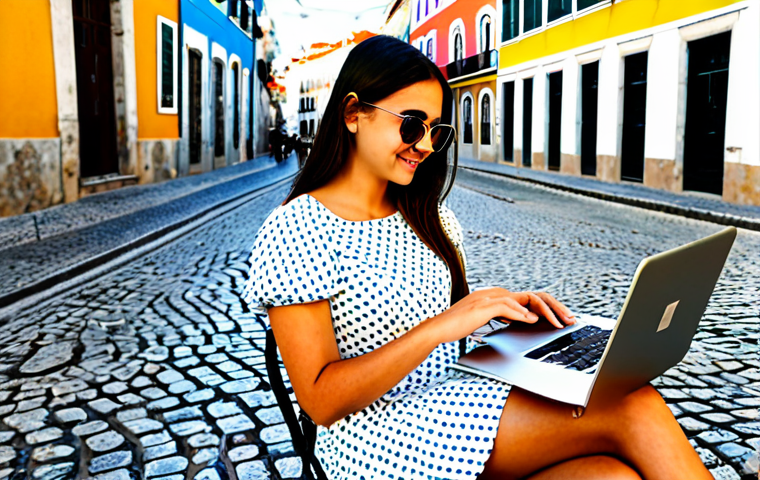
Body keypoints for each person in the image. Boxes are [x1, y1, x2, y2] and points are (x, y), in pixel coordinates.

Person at [242, 36, 711, 480]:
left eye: (435, 131)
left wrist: (510, 321)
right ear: (352, 114)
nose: (424, 145)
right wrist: (448, 324)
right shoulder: (298, 228)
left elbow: (448, 334)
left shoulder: (430, 217)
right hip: (371, 439)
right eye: (411, 124)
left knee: (612, 475)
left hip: (452, 401)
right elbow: (321, 400)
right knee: (631, 405)